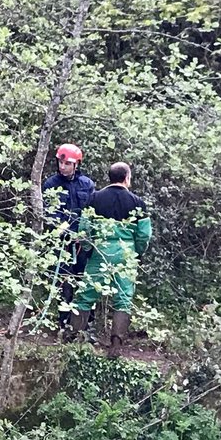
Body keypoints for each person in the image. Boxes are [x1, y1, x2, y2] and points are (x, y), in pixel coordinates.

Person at [68, 161, 151, 358]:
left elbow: (84, 230)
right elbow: (144, 236)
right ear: (127, 178)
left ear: (110, 178)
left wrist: (89, 250)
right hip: (125, 254)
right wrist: (136, 253)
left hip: (101, 251)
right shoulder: (138, 203)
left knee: (86, 295)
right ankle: (115, 346)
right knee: (123, 298)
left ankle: (74, 340)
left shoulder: (94, 198)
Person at [42, 143, 96, 332]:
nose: (62, 166)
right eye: (60, 162)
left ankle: (84, 323)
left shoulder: (87, 185)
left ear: (76, 164)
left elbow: (91, 213)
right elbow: (50, 212)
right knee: (63, 280)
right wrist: (62, 230)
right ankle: (62, 321)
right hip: (62, 241)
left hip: (82, 241)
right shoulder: (51, 184)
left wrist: (86, 235)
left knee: (83, 279)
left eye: (67, 163)